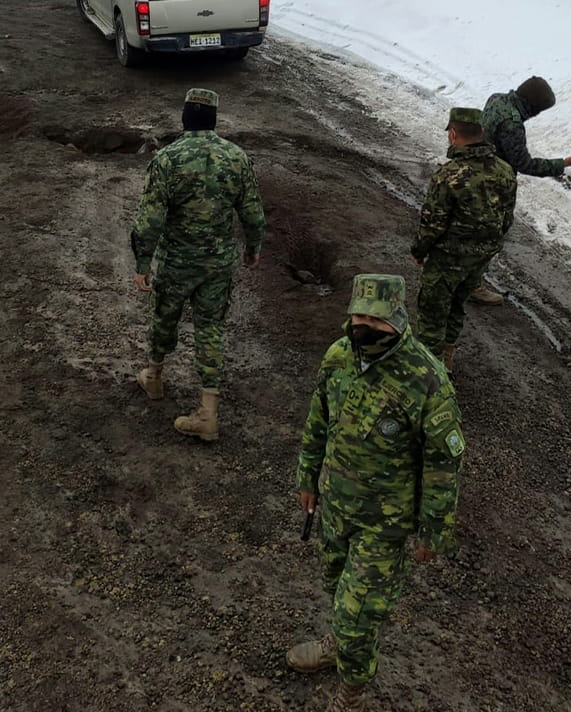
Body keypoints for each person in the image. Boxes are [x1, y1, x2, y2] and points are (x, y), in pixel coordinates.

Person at [289, 274, 463, 712]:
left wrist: (433, 529)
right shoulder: (339, 356)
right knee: (334, 584)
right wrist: (308, 477)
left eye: (375, 319)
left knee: (357, 615)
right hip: (335, 505)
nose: (363, 325)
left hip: (384, 524)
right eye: (358, 315)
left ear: (397, 320)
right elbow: (318, 420)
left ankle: (351, 694)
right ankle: (341, 645)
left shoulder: (426, 379)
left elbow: (444, 463)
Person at [130, 88, 266, 442]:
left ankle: (155, 377)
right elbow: (252, 212)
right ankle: (208, 411)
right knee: (210, 328)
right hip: (217, 263)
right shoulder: (236, 158)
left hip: (176, 261)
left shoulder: (168, 159)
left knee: (164, 316)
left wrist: (143, 261)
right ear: (214, 119)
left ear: (185, 117)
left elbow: (150, 219)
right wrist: (253, 247)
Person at [409, 108, 516, 371]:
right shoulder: (505, 171)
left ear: (453, 134)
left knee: (432, 312)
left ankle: (428, 372)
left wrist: (419, 251)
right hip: (479, 258)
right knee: (457, 305)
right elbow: (507, 218)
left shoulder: (449, 175)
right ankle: (447, 356)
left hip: (447, 258)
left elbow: (433, 224)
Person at [469, 76, 571, 303]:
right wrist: (563, 163)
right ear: (533, 106)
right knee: (491, 235)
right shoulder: (513, 124)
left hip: (473, 170)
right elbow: (524, 164)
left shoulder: (497, 99)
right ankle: (471, 284)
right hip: (494, 183)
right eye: (539, 110)